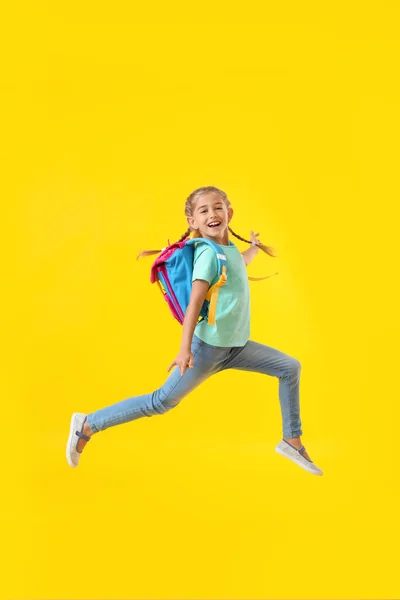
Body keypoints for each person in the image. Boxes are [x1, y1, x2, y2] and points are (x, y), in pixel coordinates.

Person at [66, 186, 323, 475]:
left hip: (236, 348)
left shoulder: (228, 252)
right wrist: (184, 349)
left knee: (289, 367)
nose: (212, 214)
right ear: (193, 222)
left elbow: (241, 261)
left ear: (229, 213)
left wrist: (253, 247)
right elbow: (193, 304)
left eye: (218, 208)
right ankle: (87, 424)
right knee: (159, 402)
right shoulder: (207, 255)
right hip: (207, 351)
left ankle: (291, 440)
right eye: (204, 211)